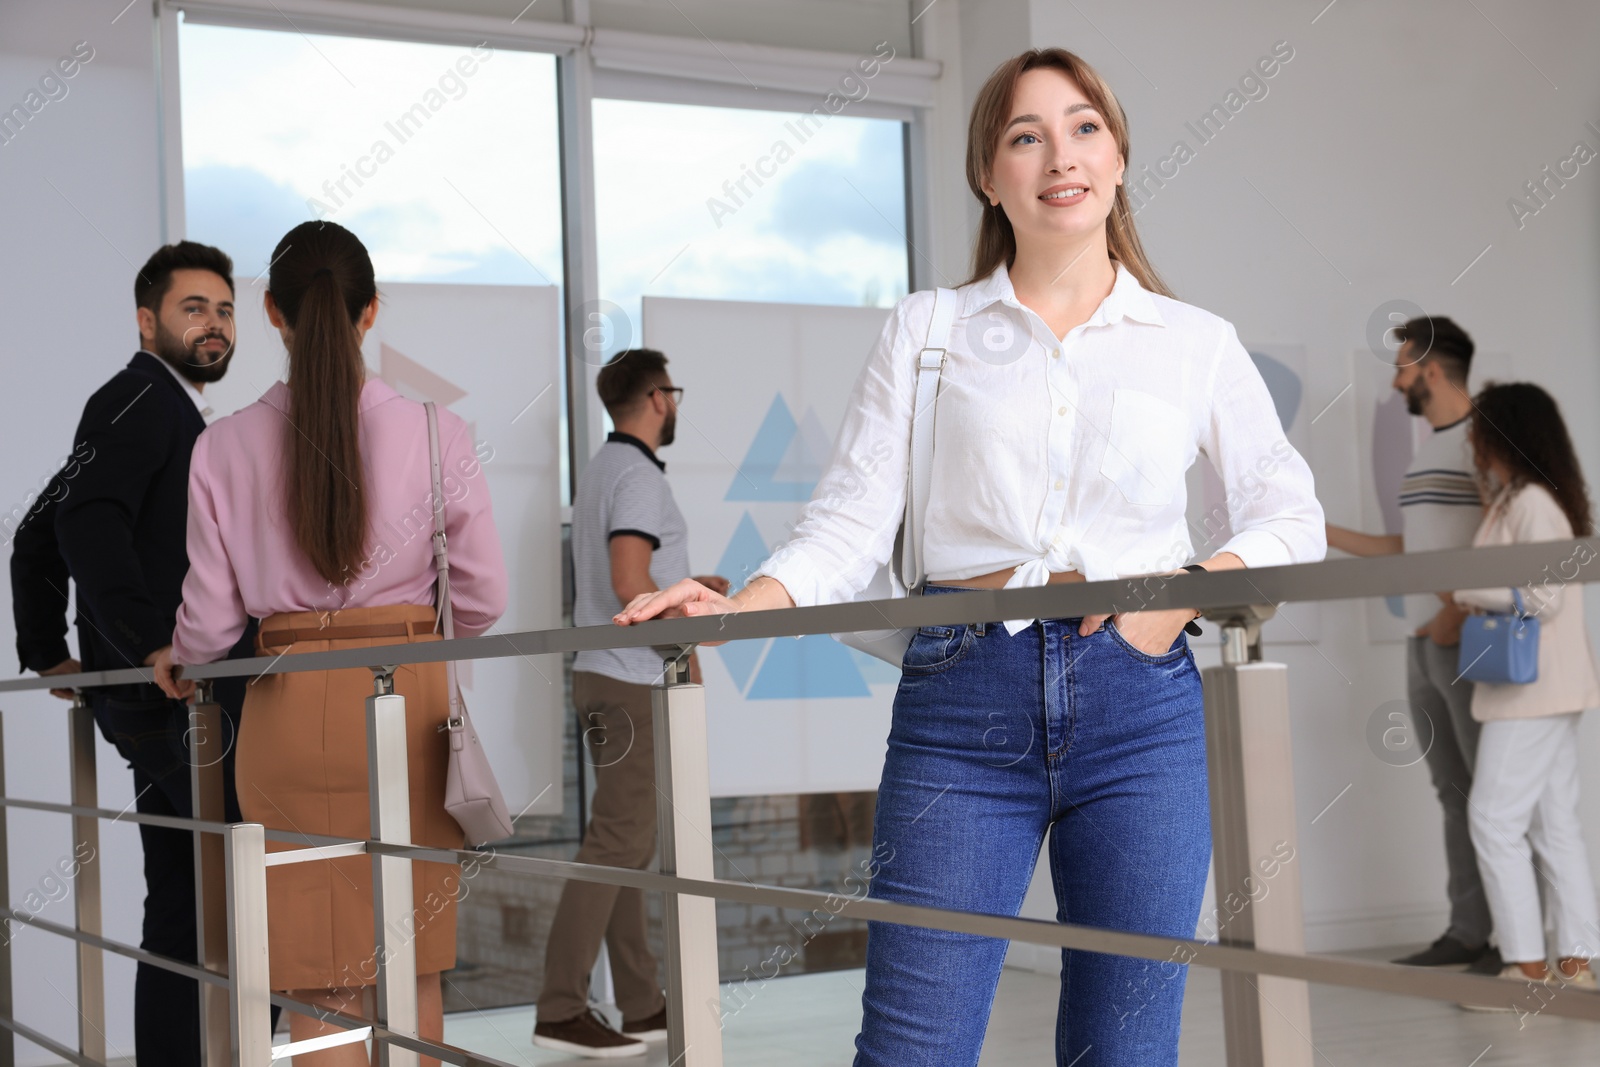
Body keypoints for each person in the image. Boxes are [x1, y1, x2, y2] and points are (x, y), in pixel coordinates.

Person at [615, 48, 1325, 1066]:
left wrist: (1182, 591)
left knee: (1125, 1049)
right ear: (989, 175)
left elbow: (1288, 514)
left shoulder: (1192, 340)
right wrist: (741, 604)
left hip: (1143, 706)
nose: (1058, 155)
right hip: (963, 696)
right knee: (913, 1045)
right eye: (1024, 135)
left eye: (1083, 127)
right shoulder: (927, 327)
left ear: (1119, 156)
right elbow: (848, 522)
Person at [152, 221, 508, 1066]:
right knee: (413, 958)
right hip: (407, 703)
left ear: (273, 312)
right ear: (370, 310)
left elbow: (205, 627)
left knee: (319, 975)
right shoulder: (435, 432)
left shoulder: (223, 444)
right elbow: (485, 600)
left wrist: (177, 654)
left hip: (286, 710)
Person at [10, 240, 256, 1066]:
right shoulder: (138, 401)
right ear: (148, 319)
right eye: (195, 308)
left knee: (191, 901)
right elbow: (84, 525)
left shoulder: (153, 402)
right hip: (169, 701)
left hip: (160, 698)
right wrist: (149, 642)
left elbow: (37, 532)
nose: (214, 324)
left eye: (224, 309)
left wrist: (50, 651)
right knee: (194, 906)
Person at [533, 348, 728, 1057]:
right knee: (619, 841)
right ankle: (560, 1007)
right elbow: (626, 580)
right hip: (632, 681)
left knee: (626, 841)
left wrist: (683, 581)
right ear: (656, 397)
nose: (673, 404)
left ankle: (642, 1004)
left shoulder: (603, 469)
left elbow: (636, 575)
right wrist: (695, 632)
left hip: (604, 674)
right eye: (671, 392)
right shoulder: (639, 474)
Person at [1325, 317, 1499, 972]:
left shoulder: (1487, 439)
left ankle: (1522, 941)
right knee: (1453, 790)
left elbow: (1506, 532)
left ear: (1430, 369)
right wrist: (1323, 530)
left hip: (1468, 638)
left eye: (1401, 367)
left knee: (1494, 792)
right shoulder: (1429, 451)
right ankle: (1469, 929)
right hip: (1422, 643)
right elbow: (1409, 549)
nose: (1396, 380)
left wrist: (1454, 611)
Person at [1450, 382, 1598, 1006]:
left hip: (1533, 692)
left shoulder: (1534, 502)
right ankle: (1578, 963)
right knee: (1554, 825)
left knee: (1492, 819)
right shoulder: (1516, 499)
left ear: (1503, 432)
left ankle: (1527, 969)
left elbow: (1544, 597)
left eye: (1480, 428)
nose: (1470, 439)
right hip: (1542, 688)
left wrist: (1467, 590)